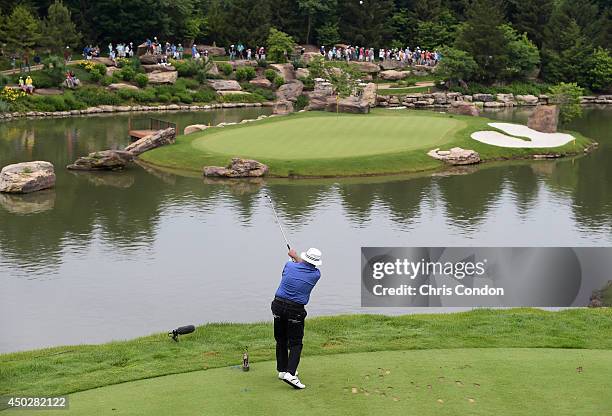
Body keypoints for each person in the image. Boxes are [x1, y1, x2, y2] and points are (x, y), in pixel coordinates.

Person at [272, 247, 322, 390]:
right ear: (316, 263)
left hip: (277, 305)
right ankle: (290, 374)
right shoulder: (316, 274)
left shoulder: (289, 265)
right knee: (296, 343)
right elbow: (304, 266)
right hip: (295, 310)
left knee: (281, 339)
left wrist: (293, 256)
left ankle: (282, 370)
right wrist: (296, 257)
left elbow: (296, 266)